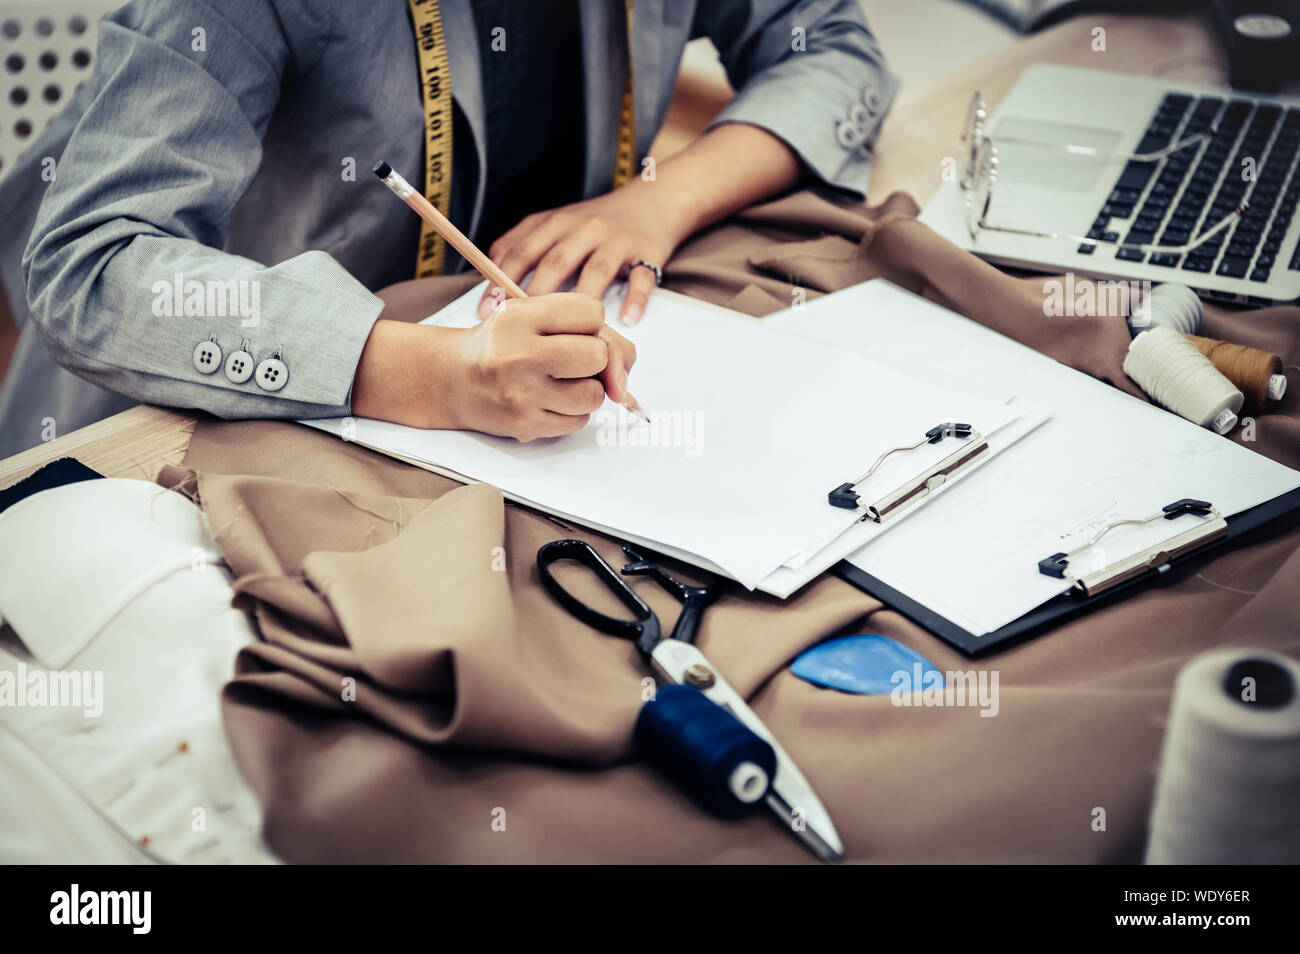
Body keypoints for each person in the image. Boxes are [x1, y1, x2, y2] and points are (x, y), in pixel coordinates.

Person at [0, 0, 896, 455]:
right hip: (194, 418)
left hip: (500, 413)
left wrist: (661, 197)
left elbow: (833, 47)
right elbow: (91, 266)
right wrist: (430, 375)